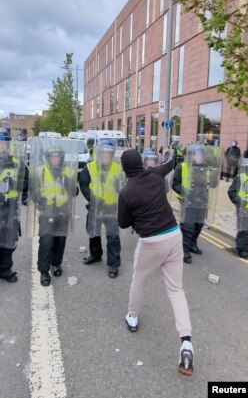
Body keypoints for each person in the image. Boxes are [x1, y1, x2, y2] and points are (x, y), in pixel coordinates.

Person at [118, 148, 194, 376]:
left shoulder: (126, 191)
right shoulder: (153, 174)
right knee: (176, 289)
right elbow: (169, 165)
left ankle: (132, 317)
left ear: (124, 168)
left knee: (138, 281)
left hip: (151, 242)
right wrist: (177, 155)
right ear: (141, 163)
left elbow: (122, 224)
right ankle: (186, 341)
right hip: (173, 235)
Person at [29, 142, 78, 286]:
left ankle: (56, 264)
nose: (55, 159)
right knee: (46, 241)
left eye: (58, 157)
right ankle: (44, 271)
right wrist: (39, 200)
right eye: (52, 157)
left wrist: (68, 181)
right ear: (48, 158)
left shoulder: (67, 171)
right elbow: (33, 190)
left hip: (63, 212)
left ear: (61, 158)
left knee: (60, 240)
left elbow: (75, 192)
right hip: (47, 212)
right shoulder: (40, 171)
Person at [79, 140, 123, 278]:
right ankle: (95, 254)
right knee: (93, 233)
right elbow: (83, 184)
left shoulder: (117, 167)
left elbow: (122, 186)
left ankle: (113, 264)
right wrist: (92, 199)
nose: (106, 155)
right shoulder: (90, 166)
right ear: (99, 153)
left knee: (113, 236)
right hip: (95, 206)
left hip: (111, 207)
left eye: (109, 153)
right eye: (104, 153)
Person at [172, 144, 221, 264]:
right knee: (188, 228)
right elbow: (175, 184)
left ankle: (193, 245)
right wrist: (185, 191)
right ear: (191, 155)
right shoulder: (182, 166)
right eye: (196, 154)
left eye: (200, 154)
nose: (198, 156)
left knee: (198, 227)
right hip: (188, 203)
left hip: (202, 202)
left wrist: (215, 173)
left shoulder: (206, 168)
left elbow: (213, 185)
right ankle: (184, 251)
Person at [0, 128, 28, 283]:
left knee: (9, 241)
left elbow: (26, 179)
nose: (2, 147)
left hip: (9, 208)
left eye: (4, 143)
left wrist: (21, 190)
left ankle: (5, 270)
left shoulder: (16, 161)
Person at [228, 158, 248, 259]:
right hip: (244, 208)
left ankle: (245, 245)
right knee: (244, 229)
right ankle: (241, 248)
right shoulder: (240, 177)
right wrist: (238, 202)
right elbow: (231, 191)